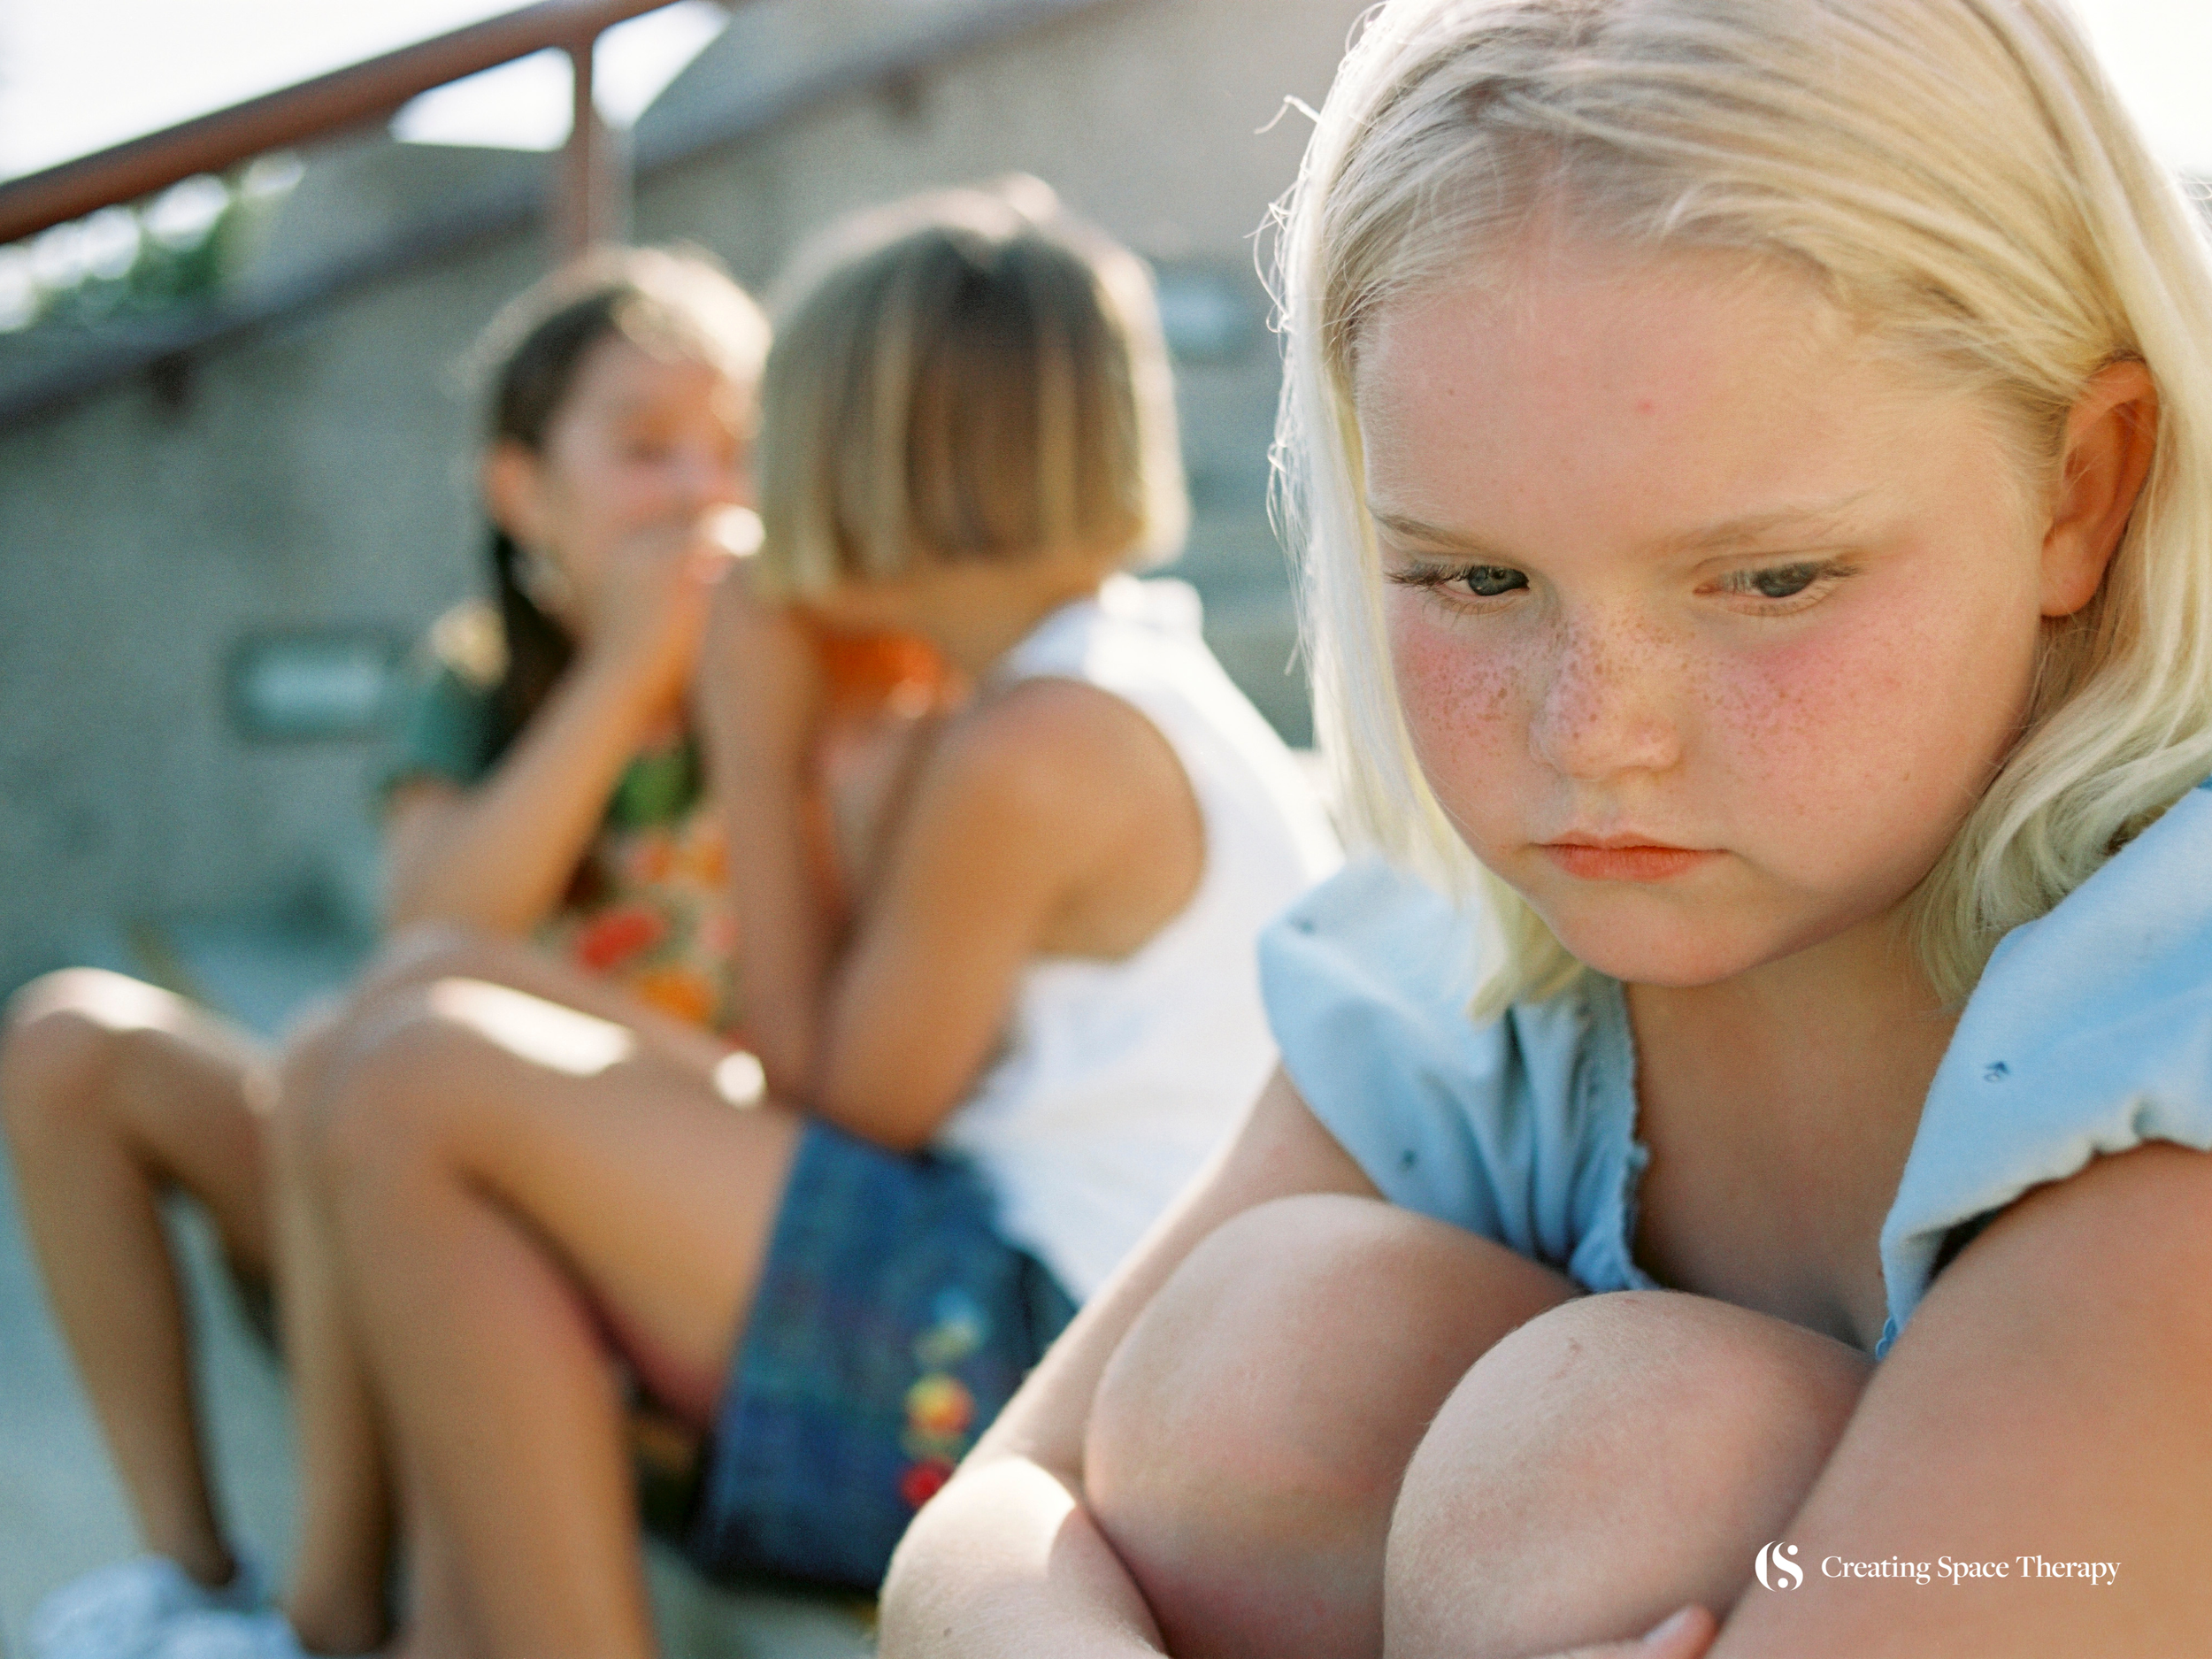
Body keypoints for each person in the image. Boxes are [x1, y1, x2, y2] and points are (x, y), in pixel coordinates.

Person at [878, 3, 2212, 1655]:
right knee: (1256, 1364)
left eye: (1771, 578)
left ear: (2083, 486)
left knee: (1620, 1460)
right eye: (1475, 577)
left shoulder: (2170, 1026)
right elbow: (1001, 1514)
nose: (1593, 734)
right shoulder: (1486, 979)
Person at [154, 178, 1340, 1659]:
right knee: (421, 994)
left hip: (1060, 1364)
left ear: (873, 462)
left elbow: (834, 1104)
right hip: (1049, 1312)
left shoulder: (1038, 747)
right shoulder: (1080, 681)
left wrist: (759, 743)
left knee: (416, 1084)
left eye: (775, 439)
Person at [4, 246, 927, 1659]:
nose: (700, 489)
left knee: (377, 1065)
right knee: (73, 1042)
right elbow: (435, 923)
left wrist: (731, 689)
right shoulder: (485, 674)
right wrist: (622, 675)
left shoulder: (821, 673)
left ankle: (329, 1617)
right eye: (646, 449)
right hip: (427, 1133)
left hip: (644, 1209)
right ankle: (190, 1580)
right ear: (522, 493)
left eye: (735, 448)